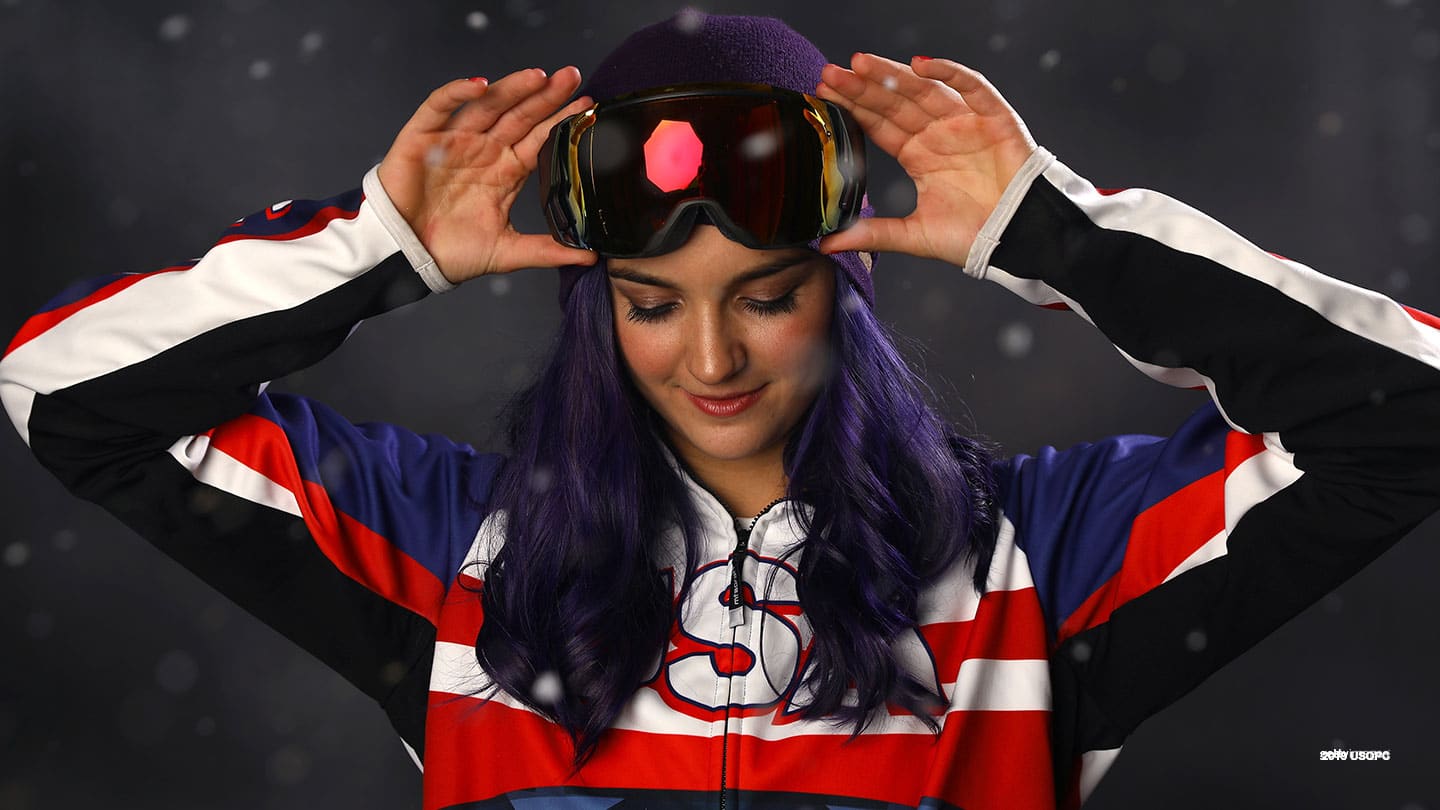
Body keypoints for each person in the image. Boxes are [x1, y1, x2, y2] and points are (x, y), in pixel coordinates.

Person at [2, 11, 1437, 810]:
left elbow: (1408, 415)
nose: (709, 355)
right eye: (649, 300)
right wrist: (377, 247)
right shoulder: (451, 558)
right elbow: (62, 390)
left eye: (764, 292)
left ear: (844, 287)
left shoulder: (1040, 562)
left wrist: (1052, 234)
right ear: (596, 307)